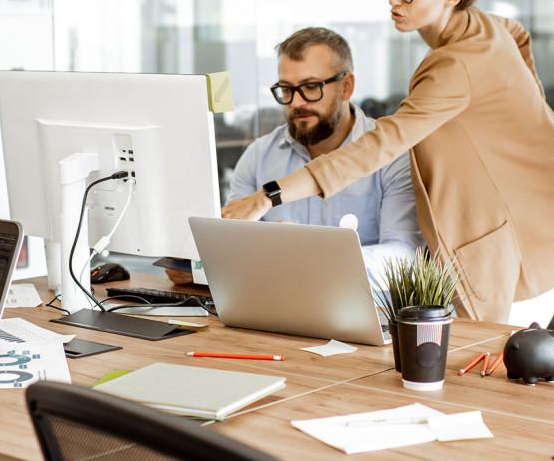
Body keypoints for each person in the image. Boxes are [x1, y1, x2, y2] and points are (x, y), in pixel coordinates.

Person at [222, 0, 554, 326]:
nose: (393, 1)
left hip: (534, 240)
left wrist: (270, 195)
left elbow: (378, 145)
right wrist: (525, 122)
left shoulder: (453, 66)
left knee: (487, 367)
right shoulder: (488, 27)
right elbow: (519, 34)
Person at [168, 28, 423, 290]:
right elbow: (232, 246)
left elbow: (405, 258)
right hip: (273, 307)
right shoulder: (258, 157)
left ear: (346, 87)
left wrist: (313, 254)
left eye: (311, 87)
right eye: (287, 90)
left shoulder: (392, 158)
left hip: (364, 313)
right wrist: (198, 264)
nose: (297, 102)